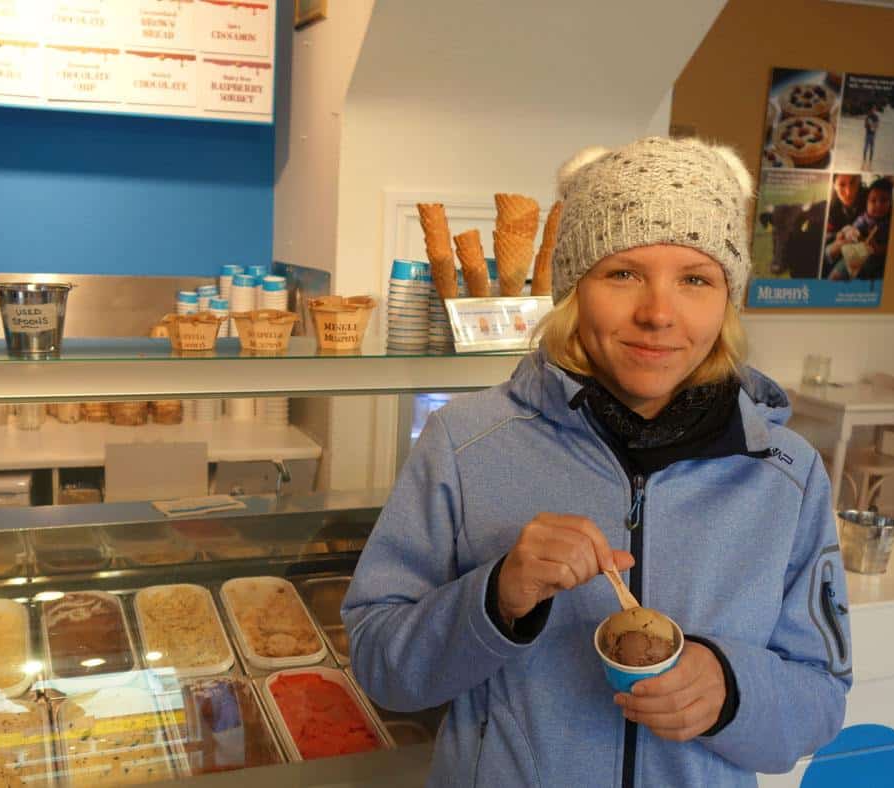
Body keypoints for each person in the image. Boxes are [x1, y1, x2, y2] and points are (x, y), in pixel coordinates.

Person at [343, 137, 852, 787]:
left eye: (695, 279)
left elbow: (821, 697)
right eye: (624, 274)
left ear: (727, 301)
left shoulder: (787, 474)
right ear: (574, 290)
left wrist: (730, 690)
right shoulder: (463, 445)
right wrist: (495, 598)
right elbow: (379, 667)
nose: (658, 313)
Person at [829, 177, 893, 281]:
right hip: (855, 256)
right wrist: (844, 233)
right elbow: (852, 229)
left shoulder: (890, 223)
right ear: (866, 203)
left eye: (884, 200)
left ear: (891, 203)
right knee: (835, 276)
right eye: (873, 200)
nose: (878, 205)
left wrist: (879, 249)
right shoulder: (864, 219)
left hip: (877, 264)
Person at [822, 173, 866, 277]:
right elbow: (826, 240)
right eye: (842, 185)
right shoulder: (829, 207)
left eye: (853, 183)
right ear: (834, 185)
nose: (848, 192)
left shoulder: (871, 199)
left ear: (859, 180)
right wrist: (836, 241)